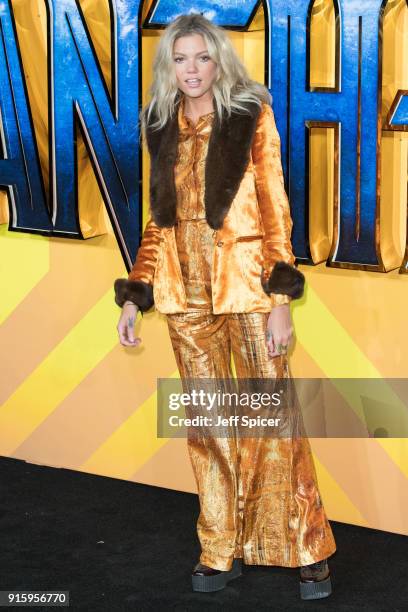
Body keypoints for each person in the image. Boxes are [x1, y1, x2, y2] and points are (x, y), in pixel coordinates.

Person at [114, 13, 336, 600]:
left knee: (271, 419)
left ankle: (305, 545)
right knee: (209, 427)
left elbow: (274, 207)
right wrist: (137, 295)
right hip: (183, 297)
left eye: (201, 58)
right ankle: (219, 548)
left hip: (245, 289)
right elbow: (157, 223)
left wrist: (280, 298)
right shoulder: (160, 123)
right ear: (169, 67)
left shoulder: (248, 117)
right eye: (179, 59)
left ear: (218, 61)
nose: (190, 69)